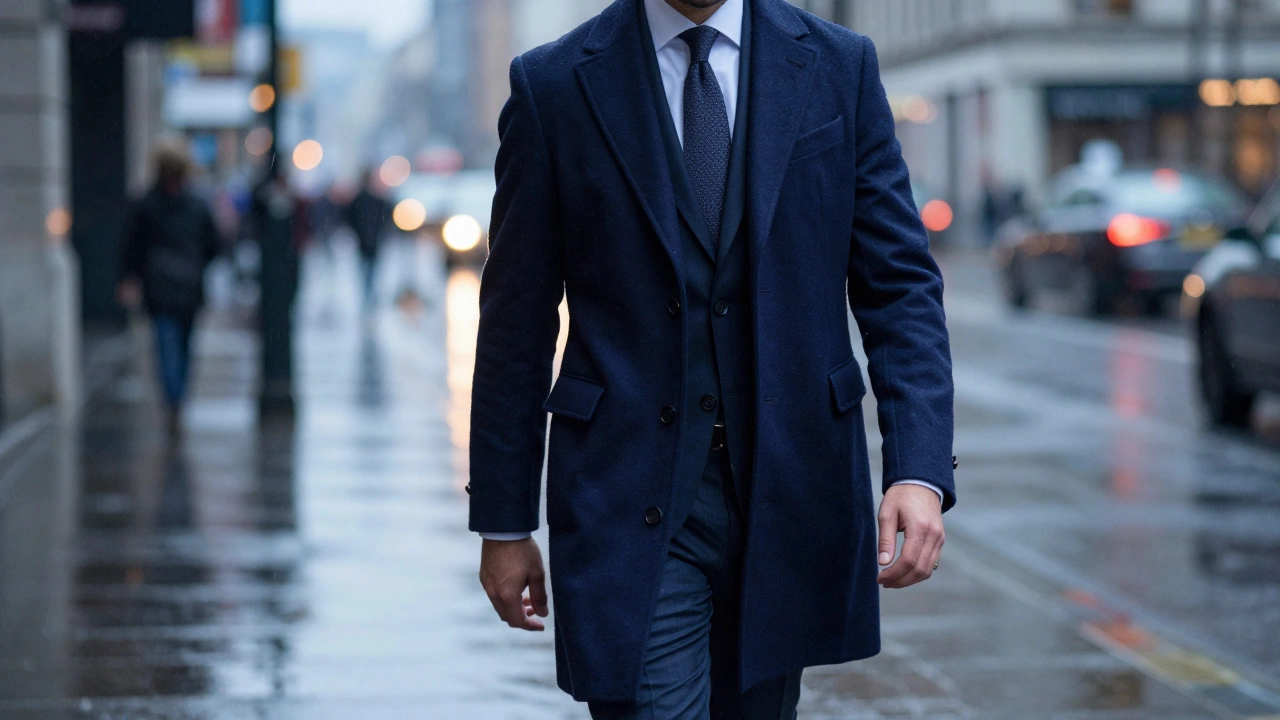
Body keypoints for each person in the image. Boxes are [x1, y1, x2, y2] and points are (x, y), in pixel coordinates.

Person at [469, 0, 955, 717]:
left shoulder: (838, 66)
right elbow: (516, 322)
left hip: (792, 489)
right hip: (626, 495)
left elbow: (899, 287)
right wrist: (505, 522)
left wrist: (918, 468)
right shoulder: (554, 84)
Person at [118, 143, 224, 434]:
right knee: (180, 347)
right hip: (184, 286)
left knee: (169, 347)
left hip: (163, 287)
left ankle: (173, 399)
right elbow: (215, 245)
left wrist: (129, 277)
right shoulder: (194, 204)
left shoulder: (148, 204)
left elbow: (131, 246)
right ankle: (176, 399)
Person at [344, 170, 392, 307]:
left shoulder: (371, 200)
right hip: (367, 241)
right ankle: (367, 294)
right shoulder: (365, 201)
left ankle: (368, 294)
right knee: (368, 270)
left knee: (370, 270)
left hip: (370, 242)